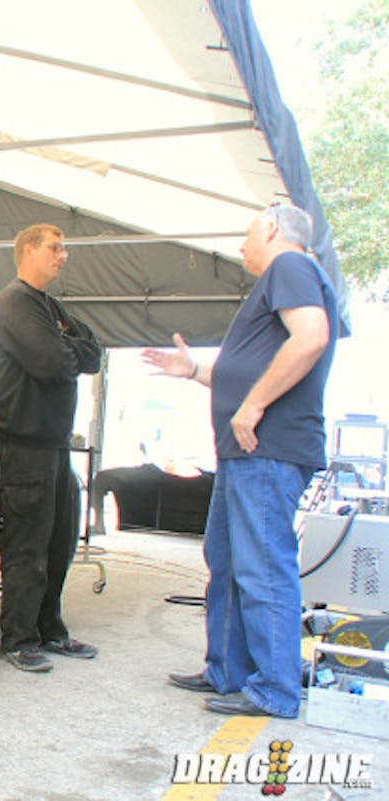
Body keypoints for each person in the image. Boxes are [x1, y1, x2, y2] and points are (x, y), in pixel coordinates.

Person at [141, 203, 338, 717]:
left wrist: (252, 406)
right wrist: (195, 371)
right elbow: (256, 365)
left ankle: (275, 688)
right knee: (227, 563)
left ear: (273, 228)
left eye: (248, 233)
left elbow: (311, 337)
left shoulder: (290, 267)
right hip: (245, 454)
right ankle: (228, 670)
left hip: (265, 449)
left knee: (263, 567)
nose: (242, 245)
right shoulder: (281, 277)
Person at [0, 223, 102, 672]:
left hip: (55, 446)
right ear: (28, 251)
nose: (63, 256)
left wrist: (65, 345)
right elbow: (52, 363)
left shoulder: (48, 306)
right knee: (27, 547)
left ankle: (50, 630)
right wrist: (66, 348)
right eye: (55, 248)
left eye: (63, 248)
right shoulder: (14, 302)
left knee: (58, 543)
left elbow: (94, 354)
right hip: (25, 443)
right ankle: (17, 640)